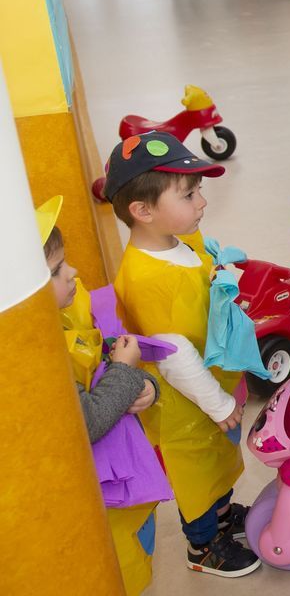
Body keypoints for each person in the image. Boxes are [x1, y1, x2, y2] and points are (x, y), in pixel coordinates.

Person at [105, 132, 261, 578]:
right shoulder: (145, 277)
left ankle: (225, 519)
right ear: (143, 210)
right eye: (189, 194)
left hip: (211, 385)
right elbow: (172, 353)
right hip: (185, 402)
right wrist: (215, 402)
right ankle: (203, 545)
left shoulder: (181, 239)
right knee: (194, 473)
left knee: (219, 462)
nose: (202, 203)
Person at [39, 196, 164, 595]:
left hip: (124, 470)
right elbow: (88, 419)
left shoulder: (66, 310)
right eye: (59, 270)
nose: (73, 272)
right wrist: (127, 371)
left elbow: (104, 350)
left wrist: (145, 385)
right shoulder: (40, 357)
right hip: (100, 500)